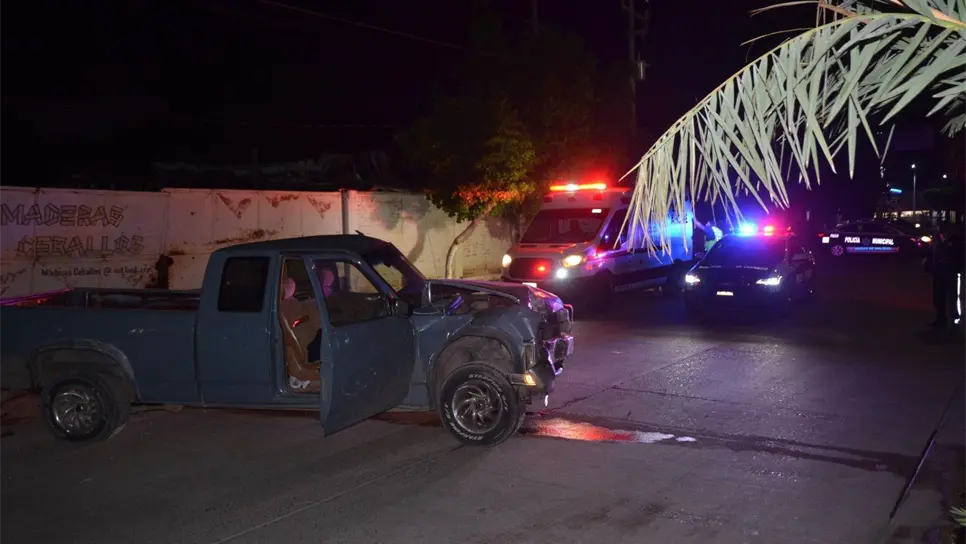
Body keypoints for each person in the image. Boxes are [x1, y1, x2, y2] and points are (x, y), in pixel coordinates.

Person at [925, 222, 964, 328]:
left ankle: (954, 320)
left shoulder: (956, 241)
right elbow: (931, 254)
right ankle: (941, 319)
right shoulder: (937, 239)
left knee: (953, 298)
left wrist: (958, 269)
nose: (943, 234)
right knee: (938, 298)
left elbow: (961, 256)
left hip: (951, 273)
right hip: (938, 273)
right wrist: (930, 266)